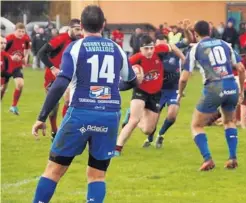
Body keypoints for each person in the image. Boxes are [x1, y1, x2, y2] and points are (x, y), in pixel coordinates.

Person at [31, 5, 137, 203]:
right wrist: (110, 88)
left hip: (80, 113)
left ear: (81, 25)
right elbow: (131, 80)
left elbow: (62, 82)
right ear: (103, 24)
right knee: (97, 175)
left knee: (54, 170)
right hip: (109, 115)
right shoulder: (117, 49)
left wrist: (41, 117)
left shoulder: (76, 47)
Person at [178, 20, 245, 171]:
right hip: (231, 85)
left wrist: (180, 94)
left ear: (195, 34)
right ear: (210, 30)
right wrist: (241, 90)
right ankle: (232, 157)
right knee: (229, 122)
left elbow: (183, 78)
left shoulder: (196, 49)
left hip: (214, 87)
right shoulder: (225, 44)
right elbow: (240, 68)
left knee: (196, 125)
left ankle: (208, 159)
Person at [115, 34, 185, 156]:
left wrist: (184, 60)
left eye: (151, 48)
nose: (149, 51)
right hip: (141, 91)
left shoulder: (159, 50)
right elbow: (120, 69)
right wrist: (130, 78)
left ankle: (132, 113)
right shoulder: (136, 58)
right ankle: (117, 149)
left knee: (148, 130)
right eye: (146, 48)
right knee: (133, 121)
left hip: (156, 94)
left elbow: (173, 47)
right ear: (140, 49)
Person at [38, 19, 82, 141]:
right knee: (53, 108)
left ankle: (65, 131)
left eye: (81, 29)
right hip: (52, 77)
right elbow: (41, 53)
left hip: (70, 77)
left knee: (69, 101)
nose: (79, 32)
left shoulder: (81, 41)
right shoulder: (60, 39)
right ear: (70, 28)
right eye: (77, 29)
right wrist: (52, 68)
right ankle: (54, 131)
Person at [142, 34, 189, 148]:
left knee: (172, 115)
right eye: (158, 45)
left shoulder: (174, 49)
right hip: (159, 90)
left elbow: (187, 41)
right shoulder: (153, 55)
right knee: (153, 121)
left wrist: (187, 30)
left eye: (163, 44)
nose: (160, 47)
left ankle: (161, 135)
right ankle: (149, 138)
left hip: (173, 89)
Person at [4, 23, 30, 115]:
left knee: (20, 84)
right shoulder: (9, 39)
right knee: (2, 89)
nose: (21, 33)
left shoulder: (26, 39)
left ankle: (13, 106)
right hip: (6, 66)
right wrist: (11, 57)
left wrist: (25, 57)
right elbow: (1, 51)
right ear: (15, 31)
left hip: (16, 66)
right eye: (19, 31)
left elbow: (27, 48)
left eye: (23, 31)